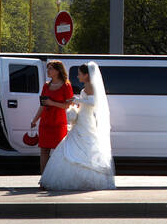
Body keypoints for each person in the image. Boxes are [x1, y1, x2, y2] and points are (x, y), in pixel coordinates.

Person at [40, 62, 115, 191]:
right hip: (82, 119)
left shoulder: (90, 85)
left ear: (86, 75)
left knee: (82, 145)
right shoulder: (86, 85)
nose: (78, 76)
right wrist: (76, 101)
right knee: (73, 144)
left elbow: (93, 103)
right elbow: (86, 101)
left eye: (80, 74)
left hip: (86, 120)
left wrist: (76, 100)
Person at [31, 60, 75, 179]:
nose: (48, 71)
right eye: (48, 68)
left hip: (58, 122)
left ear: (58, 70)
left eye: (50, 68)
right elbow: (42, 105)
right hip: (45, 121)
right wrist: (35, 120)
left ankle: (56, 178)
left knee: (57, 151)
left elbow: (68, 105)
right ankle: (44, 178)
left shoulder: (66, 85)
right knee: (44, 150)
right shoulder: (46, 85)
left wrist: (52, 103)